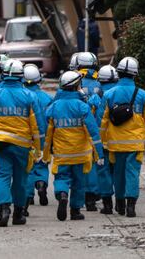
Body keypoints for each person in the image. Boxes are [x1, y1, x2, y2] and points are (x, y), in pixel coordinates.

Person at [0, 59, 42, 227]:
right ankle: (19, 213)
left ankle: (4, 208)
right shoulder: (30, 96)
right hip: (22, 146)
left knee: (2, 175)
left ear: (4, 75)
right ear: (21, 76)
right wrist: (38, 147)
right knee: (21, 179)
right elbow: (37, 125)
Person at [43, 71, 104, 222]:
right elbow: (93, 132)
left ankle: (62, 195)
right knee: (79, 183)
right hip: (80, 154)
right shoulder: (83, 107)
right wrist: (99, 154)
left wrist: (45, 154)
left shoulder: (54, 107)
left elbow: (48, 132)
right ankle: (75, 211)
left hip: (61, 153)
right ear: (76, 86)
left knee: (61, 177)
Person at [100, 57, 145, 218]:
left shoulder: (109, 95)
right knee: (132, 173)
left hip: (114, 144)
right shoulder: (143, 95)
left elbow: (103, 121)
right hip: (136, 143)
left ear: (118, 73)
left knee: (118, 173)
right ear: (134, 74)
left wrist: (102, 141)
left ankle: (119, 203)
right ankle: (131, 206)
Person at [22, 64, 53, 210]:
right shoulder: (47, 98)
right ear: (38, 80)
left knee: (28, 166)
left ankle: (28, 196)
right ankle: (41, 184)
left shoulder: (22, 96)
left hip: (26, 138)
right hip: (44, 138)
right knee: (42, 163)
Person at [95, 65, 119, 214]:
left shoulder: (97, 97)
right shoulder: (122, 94)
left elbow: (94, 120)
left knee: (103, 172)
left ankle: (107, 204)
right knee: (119, 171)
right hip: (121, 140)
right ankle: (122, 203)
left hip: (103, 141)